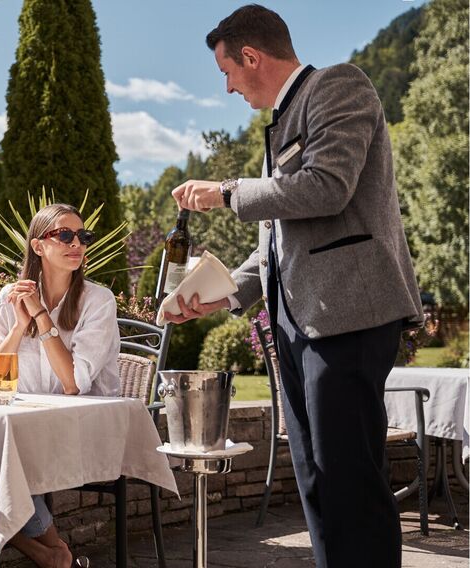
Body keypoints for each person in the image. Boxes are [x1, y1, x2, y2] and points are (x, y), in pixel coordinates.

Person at [165, 5, 423, 568]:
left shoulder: (339, 86)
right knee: (317, 483)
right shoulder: (276, 127)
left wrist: (227, 192)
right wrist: (220, 295)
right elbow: (275, 248)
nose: (228, 86)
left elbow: (326, 188)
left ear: (251, 56)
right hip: (293, 325)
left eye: (227, 71)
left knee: (350, 480)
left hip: (349, 315)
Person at [0, 203, 120, 568]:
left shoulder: (98, 301)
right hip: (26, 425)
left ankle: (48, 552)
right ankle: (52, 554)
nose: (77, 243)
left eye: (83, 236)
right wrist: (16, 325)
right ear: (38, 246)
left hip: (82, 429)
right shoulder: (10, 297)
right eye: (65, 235)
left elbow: (72, 384)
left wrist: (41, 316)